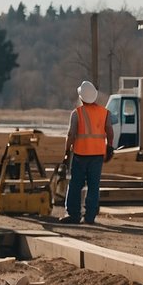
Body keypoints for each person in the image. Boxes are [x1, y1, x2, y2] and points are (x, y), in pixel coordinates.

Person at [60, 80, 114, 225]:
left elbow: (71, 134)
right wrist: (110, 147)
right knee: (93, 186)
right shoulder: (104, 113)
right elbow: (109, 131)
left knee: (76, 185)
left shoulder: (76, 114)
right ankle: (89, 217)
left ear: (81, 97)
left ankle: (73, 214)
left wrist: (66, 152)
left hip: (80, 155)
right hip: (97, 155)